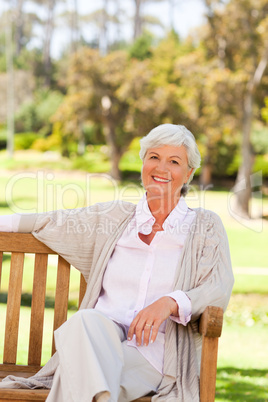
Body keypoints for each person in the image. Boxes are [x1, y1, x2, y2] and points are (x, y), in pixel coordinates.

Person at [0, 124, 234, 401]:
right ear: (143, 162)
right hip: (99, 339)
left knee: (79, 377)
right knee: (85, 321)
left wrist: (169, 302)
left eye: (174, 161)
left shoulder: (205, 226)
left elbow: (218, 287)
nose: (161, 168)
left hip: (155, 352)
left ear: (189, 173)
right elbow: (50, 221)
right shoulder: (114, 217)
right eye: (154, 157)